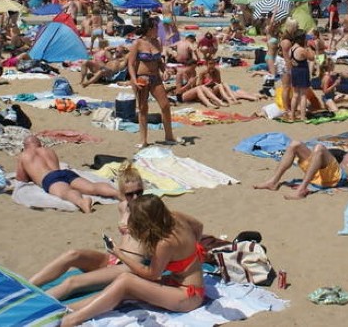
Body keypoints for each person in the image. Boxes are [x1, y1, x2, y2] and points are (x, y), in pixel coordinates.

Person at [61, 195, 205, 326]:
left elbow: (151, 274)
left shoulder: (164, 243)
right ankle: (70, 310)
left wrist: (118, 253)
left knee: (126, 280)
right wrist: (193, 249)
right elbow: (199, 227)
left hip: (188, 297)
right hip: (178, 285)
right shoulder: (175, 216)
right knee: (121, 291)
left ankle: (72, 320)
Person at [29, 162, 147, 300]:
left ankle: (31, 307)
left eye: (139, 192)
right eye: (130, 194)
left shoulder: (150, 209)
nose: (135, 198)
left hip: (129, 266)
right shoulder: (122, 206)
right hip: (114, 258)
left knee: (72, 282)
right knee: (73, 254)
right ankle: (26, 286)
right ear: (121, 193)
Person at [253, 122, 348, 200]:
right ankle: (273, 181)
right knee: (295, 144)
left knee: (320, 148)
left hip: (339, 178)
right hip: (327, 173)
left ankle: (301, 189)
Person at [15, 135, 119, 213]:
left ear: (25, 146)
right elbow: (56, 166)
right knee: (92, 187)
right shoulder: (49, 150)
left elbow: (21, 178)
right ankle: (118, 193)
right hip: (64, 173)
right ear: (39, 143)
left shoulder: (24, 155)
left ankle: (82, 202)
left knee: (66, 192)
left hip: (50, 178)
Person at [127, 17, 176, 148]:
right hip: (141, 79)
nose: (157, 30)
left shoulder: (157, 42)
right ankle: (143, 140)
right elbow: (131, 64)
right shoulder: (137, 43)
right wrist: (133, 79)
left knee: (165, 105)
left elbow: (159, 61)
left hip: (156, 78)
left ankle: (169, 136)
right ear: (149, 29)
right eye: (155, 27)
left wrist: (165, 70)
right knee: (143, 109)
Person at [288, 29, 314, 122]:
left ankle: (292, 116)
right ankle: (303, 116)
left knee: (295, 95)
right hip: (302, 72)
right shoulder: (301, 49)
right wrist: (309, 47)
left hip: (295, 71)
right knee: (303, 95)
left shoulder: (291, 49)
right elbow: (312, 58)